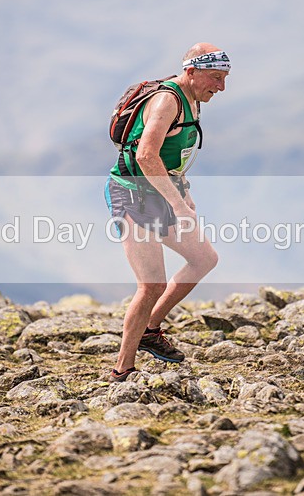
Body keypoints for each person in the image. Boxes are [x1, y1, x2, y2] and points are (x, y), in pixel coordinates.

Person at [104, 43, 230, 382]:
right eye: (215, 78)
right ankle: (122, 370)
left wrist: (184, 191)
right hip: (132, 195)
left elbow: (175, 153)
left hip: (161, 192)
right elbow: (146, 155)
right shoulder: (167, 101)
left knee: (204, 259)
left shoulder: (193, 99)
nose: (220, 87)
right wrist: (177, 203)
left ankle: (150, 330)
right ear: (191, 72)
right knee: (151, 284)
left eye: (224, 79)